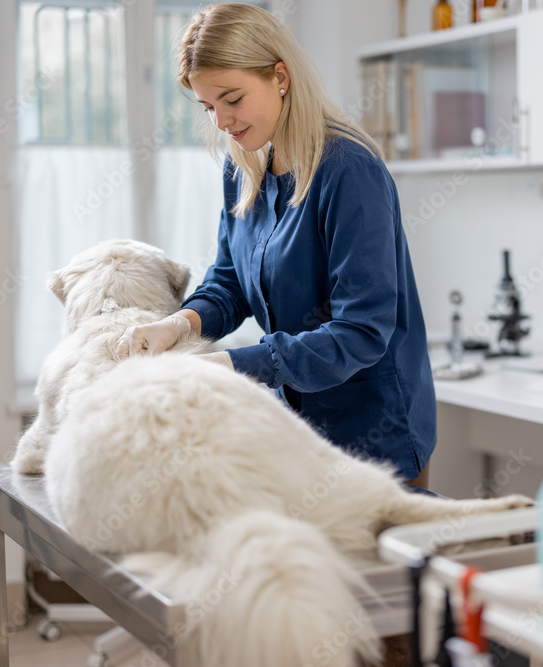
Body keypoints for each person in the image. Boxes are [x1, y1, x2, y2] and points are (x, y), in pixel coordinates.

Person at [113, 2, 436, 488]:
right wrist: (176, 324)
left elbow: (363, 331)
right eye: (208, 107)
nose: (222, 121)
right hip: (299, 424)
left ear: (279, 76)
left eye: (232, 98)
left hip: (375, 430)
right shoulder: (243, 167)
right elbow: (229, 284)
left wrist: (232, 365)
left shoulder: (348, 170)